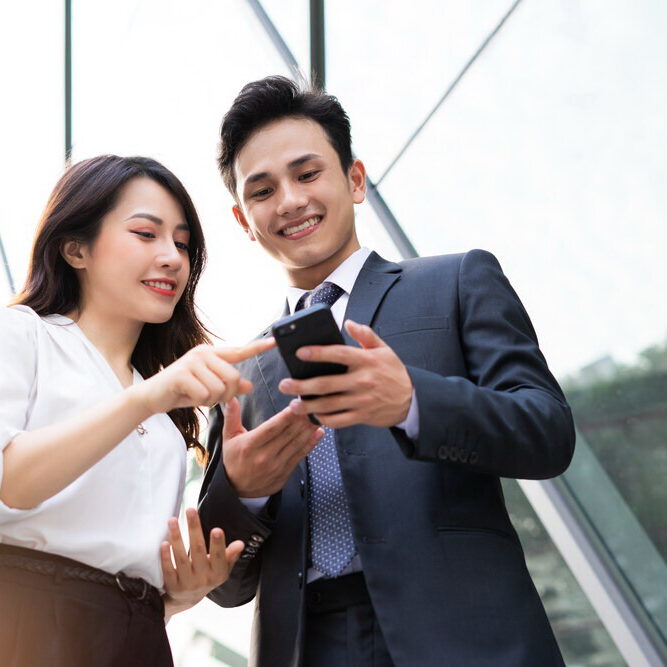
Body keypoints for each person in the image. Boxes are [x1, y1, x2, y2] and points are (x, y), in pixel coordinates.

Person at [198, 76, 576, 667]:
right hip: (309, 645)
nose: (291, 201)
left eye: (307, 173)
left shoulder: (455, 282)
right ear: (244, 220)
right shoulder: (242, 370)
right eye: (263, 190)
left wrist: (414, 402)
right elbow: (224, 586)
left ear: (354, 180)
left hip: (463, 638)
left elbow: (548, 434)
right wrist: (243, 495)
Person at [0, 155, 290, 666]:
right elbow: (10, 480)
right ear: (75, 249)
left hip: (137, 638)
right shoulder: (24, 335)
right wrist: (148, 397)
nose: (173, 258)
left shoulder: (164, 422)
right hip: (25, 618)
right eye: (146, 234)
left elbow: (126, 571)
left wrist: (182, 591)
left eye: (182, 243)